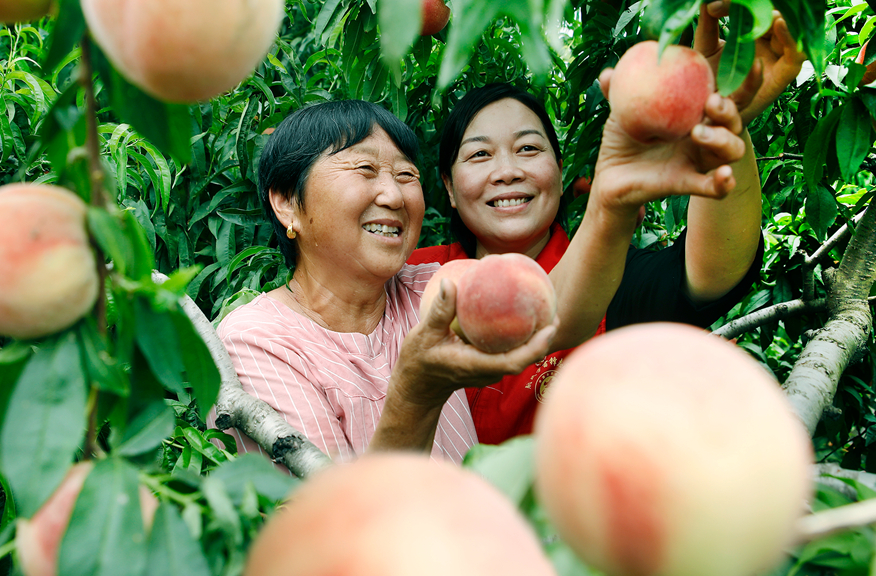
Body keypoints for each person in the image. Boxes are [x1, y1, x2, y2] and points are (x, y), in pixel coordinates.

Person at [408, 6, 806, 444]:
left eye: (527, 149)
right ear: (448, 186)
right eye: (480, 155)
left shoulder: (612, 281)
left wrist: (725, 129)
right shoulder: (408, 280)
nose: (507, 171)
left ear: (560, 174)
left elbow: (714, 271)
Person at [214, 100, 558, 465]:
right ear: (286, 202)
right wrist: (416, 392)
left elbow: (555, 306)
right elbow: (339, 515)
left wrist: (609, 207)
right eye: (365, 168)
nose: (394, 196)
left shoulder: (430, 289)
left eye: (407, 175)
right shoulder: (256, 341)